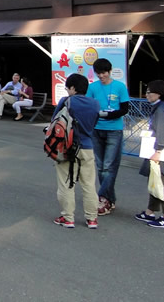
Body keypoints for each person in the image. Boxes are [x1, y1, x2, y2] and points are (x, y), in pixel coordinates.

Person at [51, 74, 100, 229]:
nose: (67, 90)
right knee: (89, 185)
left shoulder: (66, 101)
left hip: (67, 148)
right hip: (87, 147)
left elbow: (55, 122)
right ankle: (92, 219)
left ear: (72, 88)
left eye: (67, 87)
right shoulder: (95, 104)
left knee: (66, 184)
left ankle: (68, 217)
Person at [86, 58, 130, 215]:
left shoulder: (119, 86)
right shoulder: (92, 87)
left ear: (110, 71)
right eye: (98, 74)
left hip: (114, 129)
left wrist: (111, 115)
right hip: (96, 129)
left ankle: (102, 197)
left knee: (108, 166)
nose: (101, 76)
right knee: (100, 166)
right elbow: (89, 106)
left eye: (104, 73)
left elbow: (125, 108)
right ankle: (109, 200)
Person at [135, 80, 164, 228]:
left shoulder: (160, 110)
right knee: (155, 181)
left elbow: (161, 131)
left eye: (149, 92)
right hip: (158, 151)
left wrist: (158, 151)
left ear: (158, 94)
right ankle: (150, 212)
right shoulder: (161, 107)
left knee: (161, 183)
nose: (146, 95)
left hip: (160, 152)